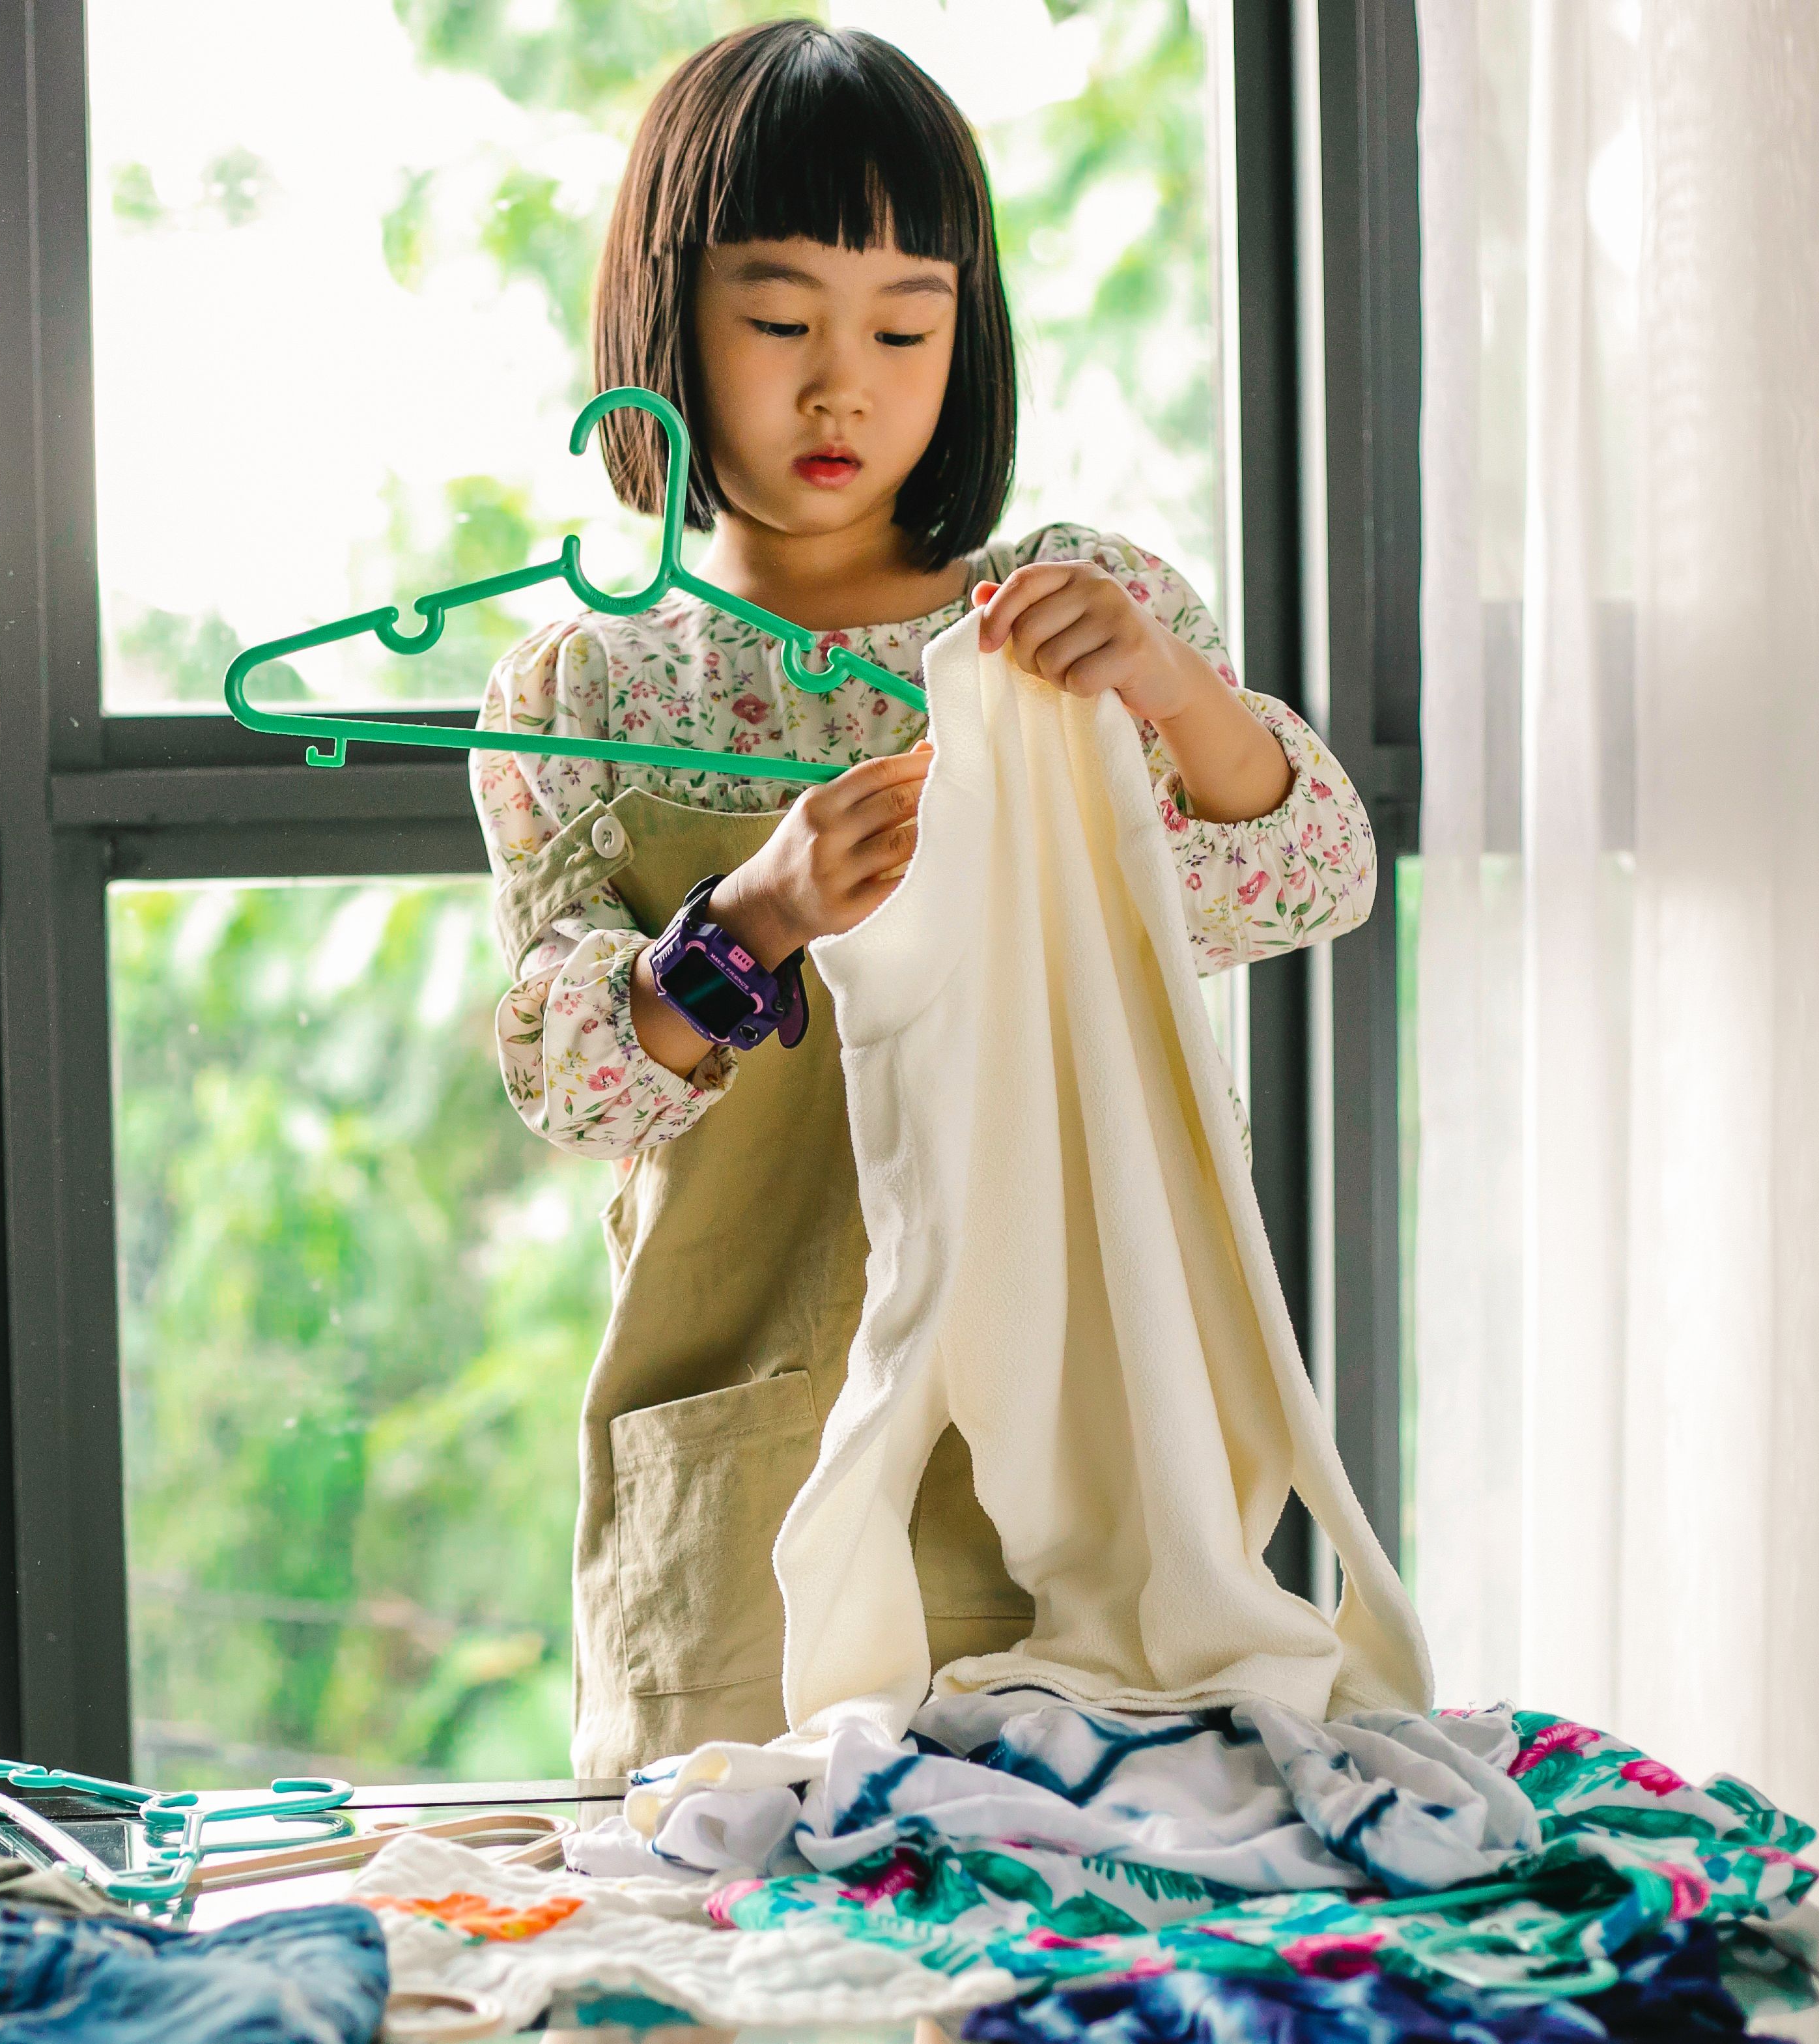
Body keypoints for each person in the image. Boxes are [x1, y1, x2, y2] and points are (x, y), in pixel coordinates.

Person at [472, 20, 1377, 1783]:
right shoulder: (581, 688)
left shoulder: (1066, 616)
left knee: (1097, 1896)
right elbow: (576, 1084)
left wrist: (1172, 695)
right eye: (779, 317)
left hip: (1085, 1414)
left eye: (902, 326)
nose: (843, 387)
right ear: (664, 323)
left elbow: (1306, 871)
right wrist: (754, 915)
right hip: (755, 1434)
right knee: (764, 1924)